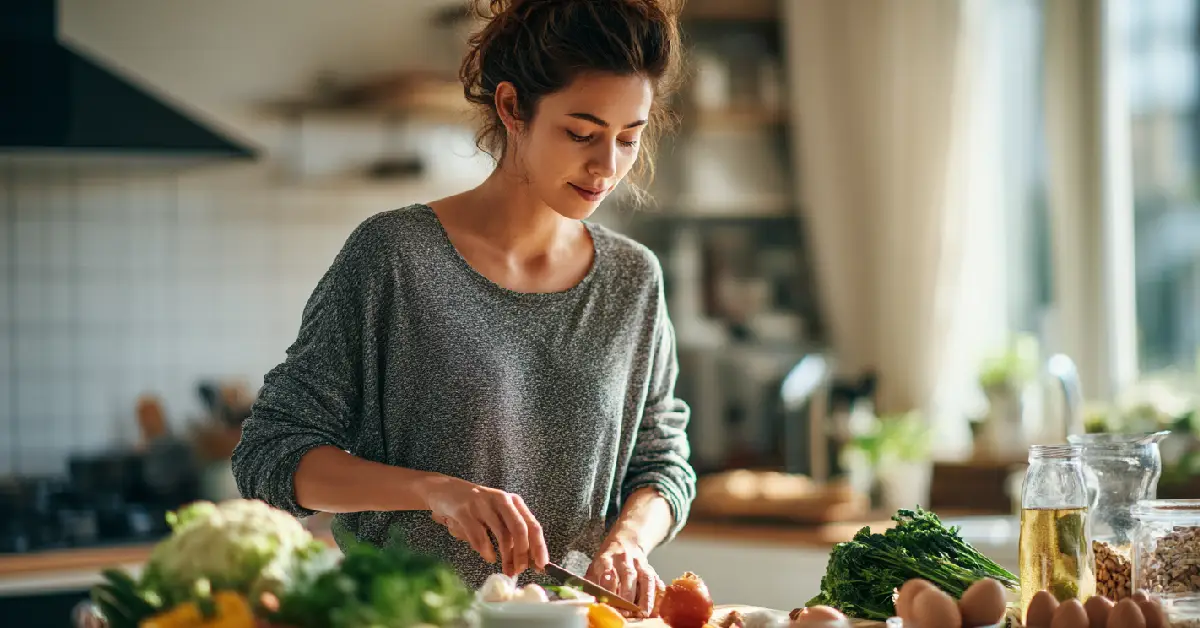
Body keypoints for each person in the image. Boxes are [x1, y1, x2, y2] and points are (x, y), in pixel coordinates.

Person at [231, 0, 695, 615]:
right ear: (512, 107)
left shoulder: (632, 279)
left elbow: (662, 461)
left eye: (628, 138)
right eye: (581, 134)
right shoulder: (394, 257)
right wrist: (433, 491)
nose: (607, 166)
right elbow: (270, 453)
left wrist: (629, 541)